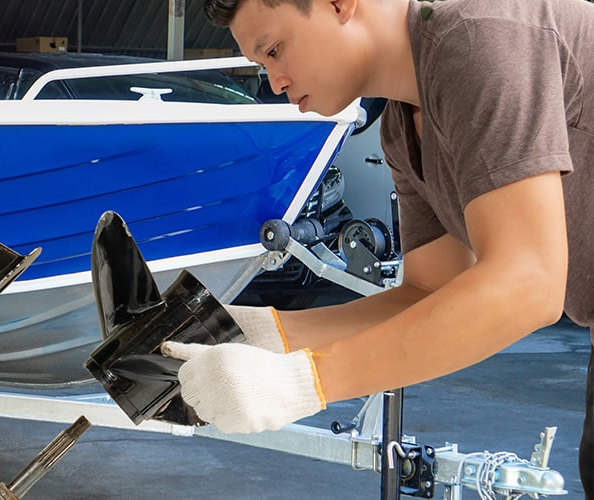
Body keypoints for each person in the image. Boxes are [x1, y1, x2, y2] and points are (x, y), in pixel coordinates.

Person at [160, 0, 594, 491]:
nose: (274, 81)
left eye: (275, 50)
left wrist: (305, 382)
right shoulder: (402, 131)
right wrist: (267, 333)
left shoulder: (480, 36)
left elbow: (529, 284)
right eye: (264, 65)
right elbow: (428, 292)